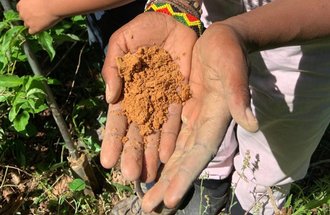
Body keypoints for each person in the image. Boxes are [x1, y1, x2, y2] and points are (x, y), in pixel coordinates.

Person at [19, 0, 330, 214]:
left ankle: (255, 200)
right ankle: (211, 185)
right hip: (214, 16)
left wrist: (241, 33)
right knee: (203, 119)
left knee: (277, 143)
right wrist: (178, 6)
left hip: (307, 51)